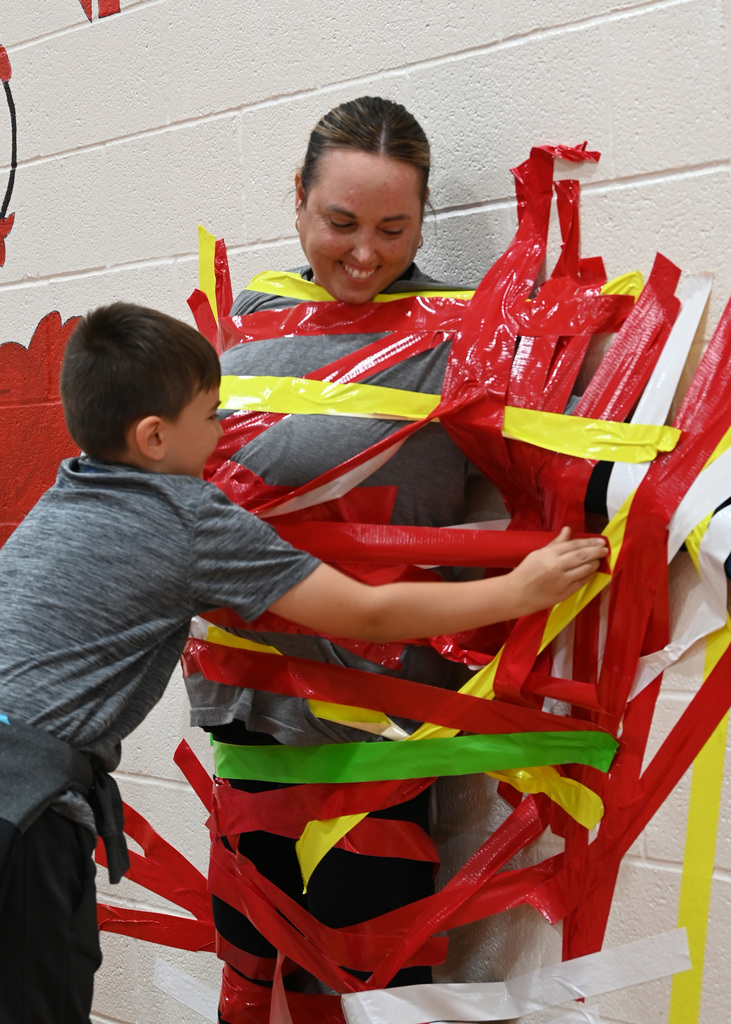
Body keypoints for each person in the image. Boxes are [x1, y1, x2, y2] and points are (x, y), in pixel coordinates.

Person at [0, 299, 604, 1024]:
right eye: (214, 415)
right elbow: (364, 614)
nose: (226, 430)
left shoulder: (65, 494)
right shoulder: (187, 517)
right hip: (26, 811)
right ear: (155, 437)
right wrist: (517, 590)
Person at [184, 96, 602, 1015]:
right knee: (249, 981)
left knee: (377, 989)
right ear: (298, 198)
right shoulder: (253, 318)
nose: (365, 254)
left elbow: (585, 449)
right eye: (340, 223)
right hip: (242, 709)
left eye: (392, 228)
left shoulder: (460, 332)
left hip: (371, 723)